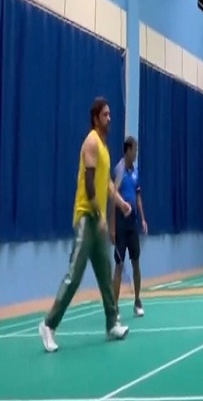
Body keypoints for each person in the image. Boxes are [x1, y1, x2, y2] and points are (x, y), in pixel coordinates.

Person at [39, 97, 133, 353]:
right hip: (86, 218)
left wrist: (121, 203)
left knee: (105, 273)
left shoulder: (104, 147)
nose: (109, 119)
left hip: (98, 220)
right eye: (105, 115)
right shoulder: (91, 142)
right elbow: (90, 185)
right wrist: (100, 216)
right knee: (75, 275)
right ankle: (48, 325)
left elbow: (106, 183)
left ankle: (112, 324)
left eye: (110, 114)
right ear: (95, 118)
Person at [111, 136, 148, 318]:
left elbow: (138, 196)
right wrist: (112, 227)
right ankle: (114, 307)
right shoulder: (118, 171)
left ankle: (137, 301)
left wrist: (143, 219)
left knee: (136, 263)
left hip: (133, 224)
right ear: (128, 150)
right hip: (120, 225)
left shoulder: (135, 171)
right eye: (135, 150)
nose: (136, 153)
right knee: (119, 265)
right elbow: (112, 199)